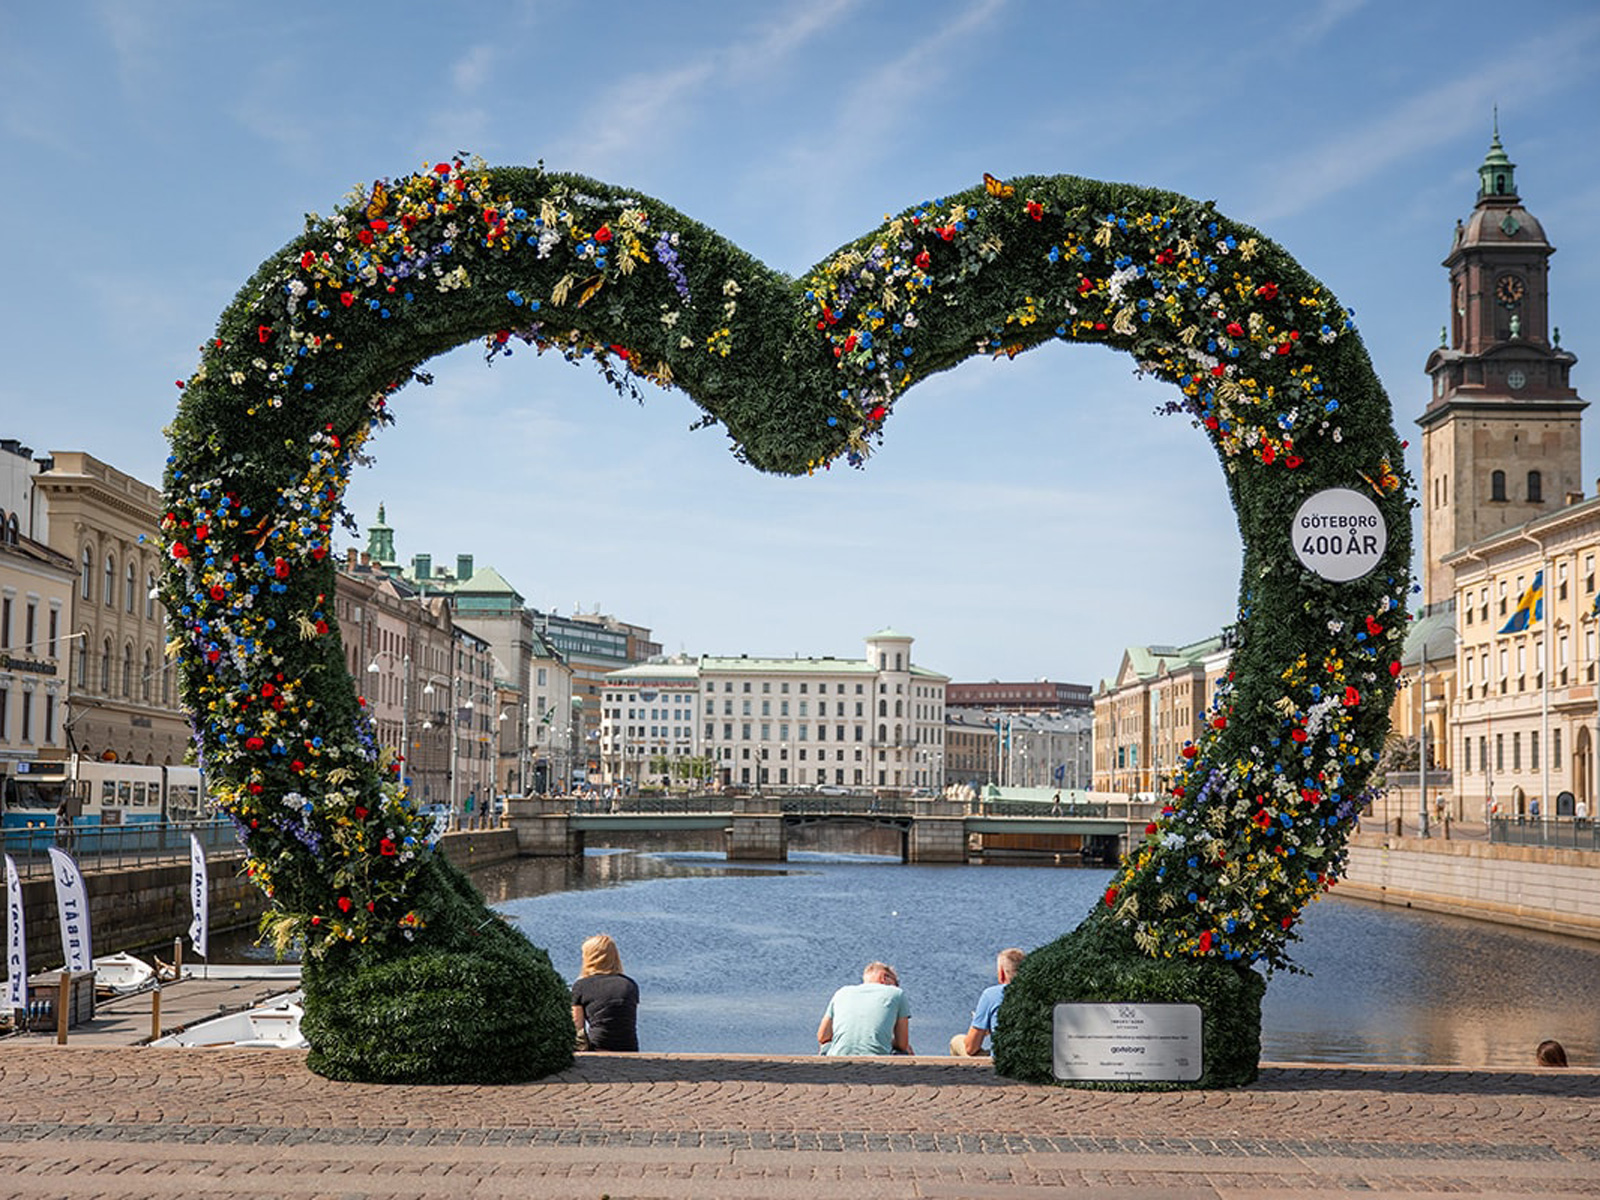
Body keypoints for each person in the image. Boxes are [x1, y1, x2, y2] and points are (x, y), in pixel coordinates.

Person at [817, 962, 912, 1056]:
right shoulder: (897, 993)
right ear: (884, 977)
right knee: (905, 1051)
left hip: (838, 1056)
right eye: (896, 983)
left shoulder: (841, 992)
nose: (896, 986)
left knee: (826, 1046)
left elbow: (823, 1037)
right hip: (877, 1058)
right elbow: (902, 1044)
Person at [950, 947, 1026, 1057]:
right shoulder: (1041, 994)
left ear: (1001, 973)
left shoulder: (992, 995)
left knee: (957, 1041)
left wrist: (984, 1028)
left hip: (1003, 1063)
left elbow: (971, 1048)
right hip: (1038, 1063)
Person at [571, 933, 639, 1051]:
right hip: (629, 1046)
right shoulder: (630, 984)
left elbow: (577, 1026)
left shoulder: (581, 986)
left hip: (599, 1045)